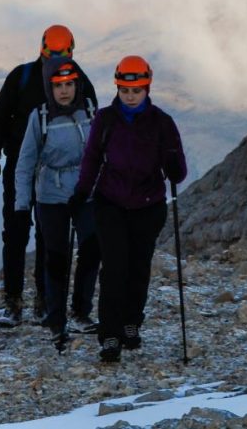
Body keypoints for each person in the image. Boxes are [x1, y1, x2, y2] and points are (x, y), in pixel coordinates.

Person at [71, 55, 187, 363]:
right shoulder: (106, 119)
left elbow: (177, 170)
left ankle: (131, 324)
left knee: (139, 268)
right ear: (118, 88)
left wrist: (174, 165)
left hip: (148, 207)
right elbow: (92, 158)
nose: (130, 96)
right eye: (124, 90)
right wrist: (82, 191)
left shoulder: (162, 123)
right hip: (110, 203)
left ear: (147, 87)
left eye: (136, 90)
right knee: (114, 268)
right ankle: (110, 335)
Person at [0, 25, 97, 327]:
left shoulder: (75, 81)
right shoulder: (23, 78)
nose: (58, 61)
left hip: (55, 175)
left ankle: (40, 301)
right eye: (54, 55)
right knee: (18, 233)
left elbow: (91, 124)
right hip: (21, 171)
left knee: (46, 237)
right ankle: (17, 302)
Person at [14, 57, 100, 351]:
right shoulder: (40, 118)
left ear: (77, 85)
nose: (64, 91)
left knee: (92, 248)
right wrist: (22, 204)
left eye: (69, 84)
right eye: (58, 85)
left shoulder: (89, 111)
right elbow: (25, 163)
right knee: (56, 257)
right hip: (51, 195)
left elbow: (102, 151)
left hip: (86, 191)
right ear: (50, 87)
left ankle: (80, 311)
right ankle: (56, 319)